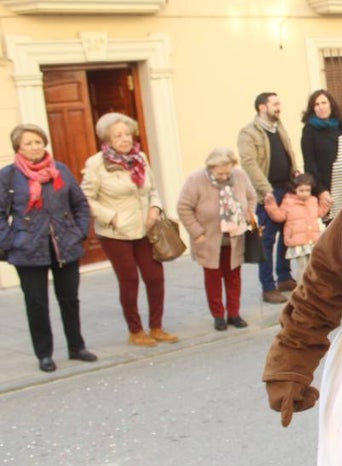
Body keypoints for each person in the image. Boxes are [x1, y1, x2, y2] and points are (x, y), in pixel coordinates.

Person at [0, 124, 95, 372]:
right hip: (28, 249)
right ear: (18, 148)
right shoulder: (8, 175)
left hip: (65, 244)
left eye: (38, 142)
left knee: (69, 299)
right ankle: (44, 354)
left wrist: (79, 232)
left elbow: (80, 204)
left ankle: (76, 346)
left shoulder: (60, 170)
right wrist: (11, 241)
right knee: (37, 303)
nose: (35, 147)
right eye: (29, 143)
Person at [81, 113, 178, 348]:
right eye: (118, 135)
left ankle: (156, 327)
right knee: (129, 280)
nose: (125, 139)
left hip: (145, 228)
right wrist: (110, 216)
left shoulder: (140, 158)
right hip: (116, 233)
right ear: (107, 139)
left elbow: (152, 190)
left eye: (127, 134)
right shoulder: (96, 163)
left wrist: (155, 208)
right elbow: (85, 197)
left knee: (155, 277)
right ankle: (135, 330)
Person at [177, 148, 258, 332]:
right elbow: (183, 207)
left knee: (234, 277)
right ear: (211, 168)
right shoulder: (196, 180)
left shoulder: (240, 176)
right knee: (213, 278)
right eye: (220, 173)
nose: (224, 176)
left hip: (235, 237)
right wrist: (197, 232)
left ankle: (234, 313)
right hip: (208, 239)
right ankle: (218, 315)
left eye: (227, 172)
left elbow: (252, 196)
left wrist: (247, 216)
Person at [238, 92, 299, 304]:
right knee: (267, 240)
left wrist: (295, 173)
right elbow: (249, 163)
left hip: (286, 189)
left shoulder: (278, 127)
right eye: (275, 103)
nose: (278, 107)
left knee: (287, 236)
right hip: (267, 194)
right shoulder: (248, 133)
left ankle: (284, 277)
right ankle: (268, 286)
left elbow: (289, 153)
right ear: (262, 107)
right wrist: (266, 190)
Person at [299, 89, 342, 223]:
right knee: (336, 226)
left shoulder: (339, 126)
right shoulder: (309, 131)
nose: (321, 107)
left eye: (324, 103)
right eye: (316, 104)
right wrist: (321, 191)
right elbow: (310, 164)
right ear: (312, 109)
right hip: (331, 192)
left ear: (331, 105)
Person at [262, 172, 332, 275]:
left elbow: (319, 213)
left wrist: (326, 202)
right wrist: (271, 204)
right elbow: (279, 216)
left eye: (307, 190)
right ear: (295, 189)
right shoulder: (288, 202)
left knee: (312, 266)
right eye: (301, 190)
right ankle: (301, 285)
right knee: (303, 267)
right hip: (297, 242)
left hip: (312, 241)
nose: (305, 193)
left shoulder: (312, 201)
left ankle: (309, 285)